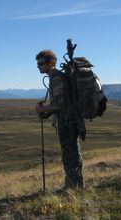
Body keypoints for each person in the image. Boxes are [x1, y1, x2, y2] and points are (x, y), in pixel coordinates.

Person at [35, 49, 84, 189]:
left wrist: (42, 109)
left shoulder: (56, 78)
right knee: (71, 152)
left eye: (41, 63)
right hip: (68, 120)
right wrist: (47, 112)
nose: (38, 66)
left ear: (51, 62)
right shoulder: (55, 77)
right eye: (38, 64)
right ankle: (75, 184)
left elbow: (59, 105)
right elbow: (61, 103)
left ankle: (74, 185)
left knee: (70, 154)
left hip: (67, 121)